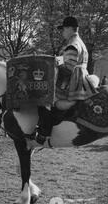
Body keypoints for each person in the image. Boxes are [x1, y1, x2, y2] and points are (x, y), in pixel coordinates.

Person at [34, 16, 97, 146]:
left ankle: (43, 133)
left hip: (74, 82)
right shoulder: (80, 43)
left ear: (69, 28)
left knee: (47, 100)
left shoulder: (72, 45)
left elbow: (68, 69)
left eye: (63, 29)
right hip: (81, 79)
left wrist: (54, 67)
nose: (62, 32)